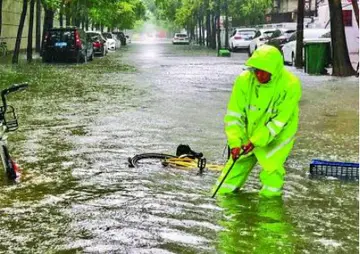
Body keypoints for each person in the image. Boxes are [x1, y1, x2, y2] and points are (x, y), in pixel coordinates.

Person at [213, 45, 302, 198]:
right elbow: (234, 115)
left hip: (278, 134)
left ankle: (270, 213)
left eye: (264, 72)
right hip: (250, 129)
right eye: (256, 70)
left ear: (274, 71)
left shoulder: (290, 85)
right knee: (229, 177)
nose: (259, 75)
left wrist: (255, 142)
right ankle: (225, 206)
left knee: (272, 171)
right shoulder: (244, 81)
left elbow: (278, 122)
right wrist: (235, 142)